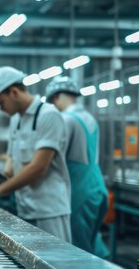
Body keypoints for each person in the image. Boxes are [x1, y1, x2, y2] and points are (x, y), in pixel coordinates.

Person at [0, 66, 72, 242]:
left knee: (56, 263)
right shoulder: (15, 119)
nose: (0, 108)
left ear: (14, 92)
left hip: (49, 211)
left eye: (1, 102)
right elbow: (11, 163)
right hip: (25, 207)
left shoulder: (48, 115)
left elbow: (38, 168)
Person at [45, 76, 109, 257]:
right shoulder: (89, 118)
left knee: (78, 247)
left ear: (56, 97)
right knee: (91, 237)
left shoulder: (65, 119)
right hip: (96, 185)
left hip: (77, 189)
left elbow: (54, 158)